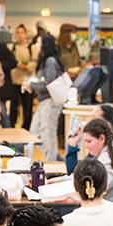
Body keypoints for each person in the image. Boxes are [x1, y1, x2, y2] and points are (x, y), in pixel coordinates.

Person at [65, 105, 113, 174]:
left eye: (94, 119)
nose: (90, 122)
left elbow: (87, 180)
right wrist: (72, 145)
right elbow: (77, 173)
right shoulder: (102, 148)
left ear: (107, 124)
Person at [26, 33, 64, 162]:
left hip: (51, 102)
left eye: (38, 42)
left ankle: (52, 164)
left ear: (44, 45)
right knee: (35, 132)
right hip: (44, 102)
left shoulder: (50, 61)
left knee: (48, 134)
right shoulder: (45, 61)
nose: (35, 45)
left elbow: (49, 83)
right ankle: (56, 159)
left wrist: (31, 84)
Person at [10, 24, 37, 130]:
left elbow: (35, 63)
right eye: (18, 32)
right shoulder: (13, 47)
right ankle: (11, 126)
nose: (20, 35)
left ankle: (26, 127)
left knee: (27, 106)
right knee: (14, 106)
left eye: (22, 32)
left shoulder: (31, 48)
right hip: (15, 81)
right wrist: (17, 64)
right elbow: (11, 62)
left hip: (27, 82)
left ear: (26, 34)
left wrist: (26, 66)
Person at [0, 28, 17, 128]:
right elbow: (13, 62)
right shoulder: (4, 49)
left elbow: (12, 62)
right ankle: (7, 129)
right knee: (2, 109)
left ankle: (5, 129)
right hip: (4, 84)